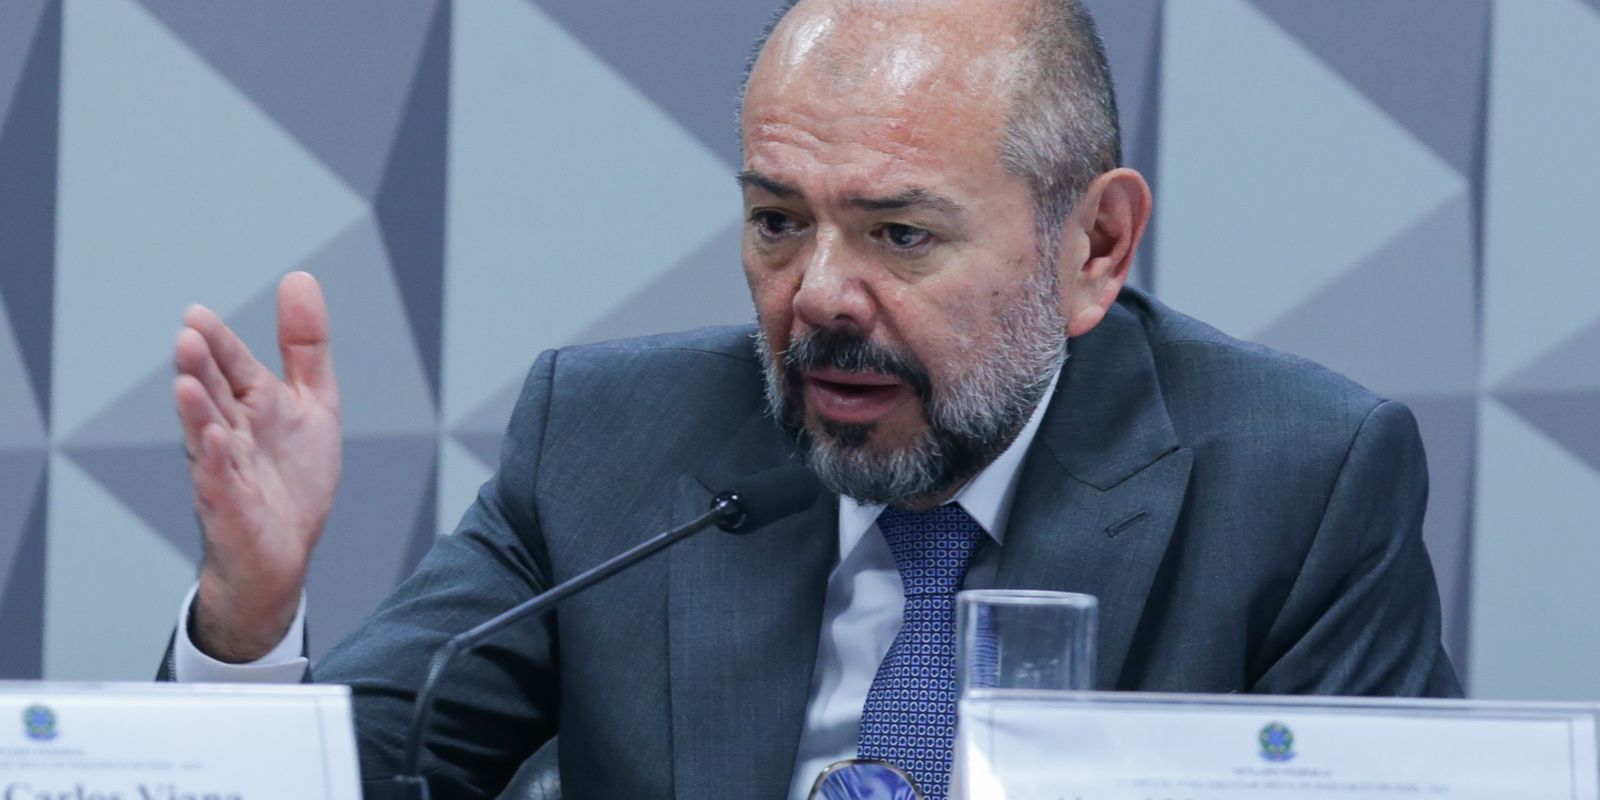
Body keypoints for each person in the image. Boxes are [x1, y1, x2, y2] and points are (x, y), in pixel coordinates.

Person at [161, 0, 1461, 797]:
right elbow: (358, 775)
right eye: (779, 222)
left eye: (902, 235)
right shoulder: (611, 443)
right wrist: (250, 617)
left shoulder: (1296, 483)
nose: (821, 297)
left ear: (1094, 247)